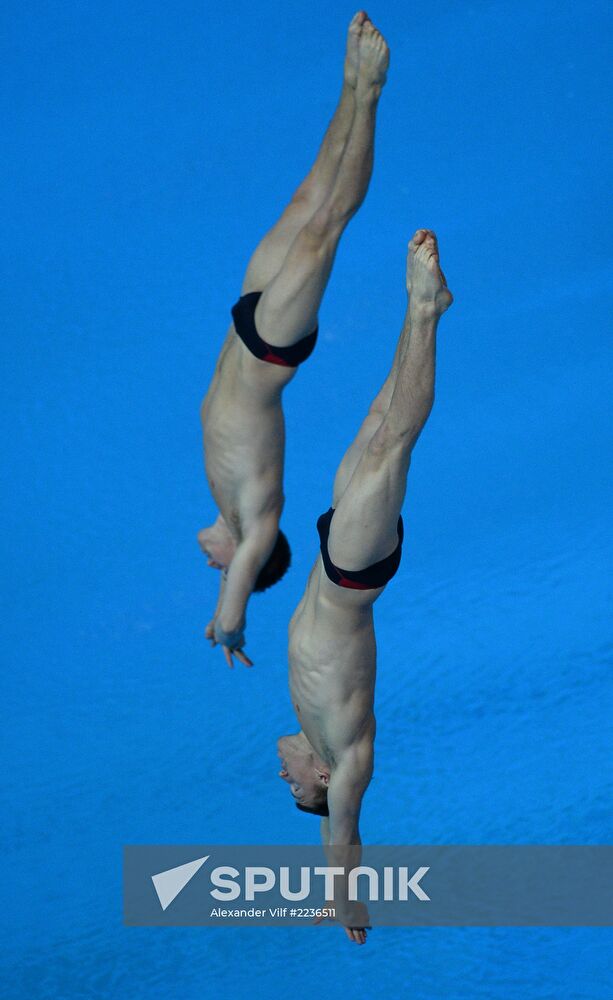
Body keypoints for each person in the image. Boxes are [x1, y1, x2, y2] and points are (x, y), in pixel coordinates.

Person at [277, 229, 453, 943]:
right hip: (353, 572)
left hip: (333, 558)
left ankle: (416, 318)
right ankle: (425, 310)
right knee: (393, 442)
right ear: (320, 780)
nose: (283, 776)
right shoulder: (345, 760)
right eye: (293, 788)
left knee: (378, 417)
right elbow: (342, 836)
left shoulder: (315, 728)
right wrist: (344, 898)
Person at [198, 13, 390, 667]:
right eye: (223, 571)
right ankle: (370, 93)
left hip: (244, 319)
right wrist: (230, 626)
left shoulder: (226, 502)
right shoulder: (255, 521)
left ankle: (348, 84)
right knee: (325, 227)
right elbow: (239, 579)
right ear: (247, 566)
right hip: (270, 345)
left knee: (308, 196)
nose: (212, 562)